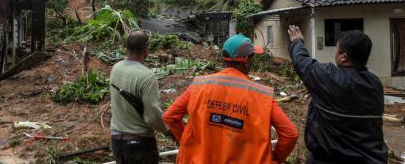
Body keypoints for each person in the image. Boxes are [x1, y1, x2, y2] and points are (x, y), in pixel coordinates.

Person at [163, 34, 298, 164]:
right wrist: (274, 158)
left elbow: (170, 116)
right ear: (246, 61)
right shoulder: (262, 96)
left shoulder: (198, 86)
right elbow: (290, 134)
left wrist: (188, 143)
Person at [287, 26, 388, 164]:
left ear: (343, 57)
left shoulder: (329, 77)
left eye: (337, 50)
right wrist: (321, 92)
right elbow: (348, 99)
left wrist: (297, 41)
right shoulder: (375, 83)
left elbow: (301, 62)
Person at [110, 30, 168, 164]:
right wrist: (168, 131)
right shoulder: (147, 76)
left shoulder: (116, 68)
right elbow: (153, 117)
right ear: (146, 50)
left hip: (117, 142)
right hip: (140, 145)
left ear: (127, 48)